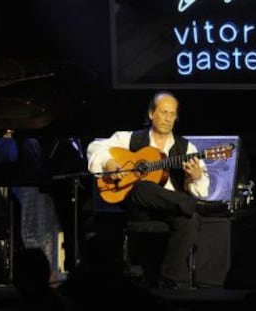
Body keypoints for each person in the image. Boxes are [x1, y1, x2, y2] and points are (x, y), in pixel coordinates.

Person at [86, 91, 226, 288]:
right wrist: (108, 162)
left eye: (172, 114)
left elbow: (201, 190)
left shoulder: (187, 148)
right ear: (152, 114)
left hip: (170, 208)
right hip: (139, 208)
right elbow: (94, 147)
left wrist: (196, 177)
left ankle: (169, 281)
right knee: (143, 187)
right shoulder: (129, 139)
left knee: (190, 219)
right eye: (163, 112)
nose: (168, 118)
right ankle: (195, 206)